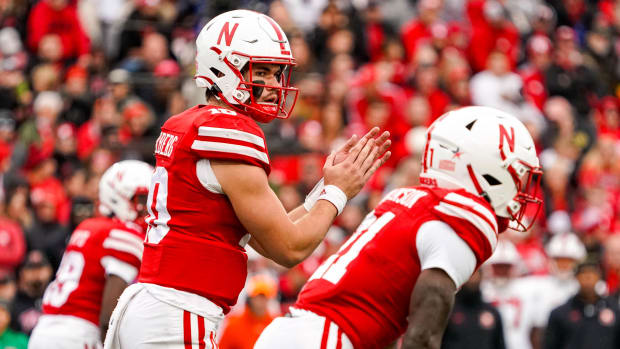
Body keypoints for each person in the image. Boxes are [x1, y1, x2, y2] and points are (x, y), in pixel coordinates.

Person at [104, 10, 391, 349]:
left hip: (157, 306)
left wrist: (324, 188)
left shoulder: (195, 122)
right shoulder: (229, 130)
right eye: (263, 72)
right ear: (224, 66)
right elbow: (290, 248)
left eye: (277, 73)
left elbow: (267, 236)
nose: (273, 86)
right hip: (177, 313)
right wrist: (339, 194)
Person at [255, 106, 543, 349]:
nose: (521, 190)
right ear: (483, 168)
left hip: (296, 332)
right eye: (516, 176)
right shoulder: (461, 218)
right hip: (329, 338)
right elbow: (424, 333)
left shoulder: (406, 198)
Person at [28, 160, 153, 348]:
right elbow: (108, 316)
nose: (147, 208)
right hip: (79, 334)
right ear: (118, 196)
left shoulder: (88, 226)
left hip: (44, 330)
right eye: (142, 199)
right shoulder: (124, 235)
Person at [544, 261, 620, 349]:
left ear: (599, 277)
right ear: (576, 278)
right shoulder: (561, 313)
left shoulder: (614, 310)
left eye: (591, 275)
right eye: (583, 274)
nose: (588, 279)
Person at [441, 271, 506, 349]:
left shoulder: (492, 312)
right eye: (470, 275)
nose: (473, 279)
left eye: (475, 274)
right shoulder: (448, 310)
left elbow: (500, 345)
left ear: (481, 277)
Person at [218, 274, 279, 349]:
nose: (262, 301)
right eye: (258, 296)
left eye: (265, 297)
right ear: (250, 298)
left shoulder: (275, 324)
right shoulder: (234, 325)